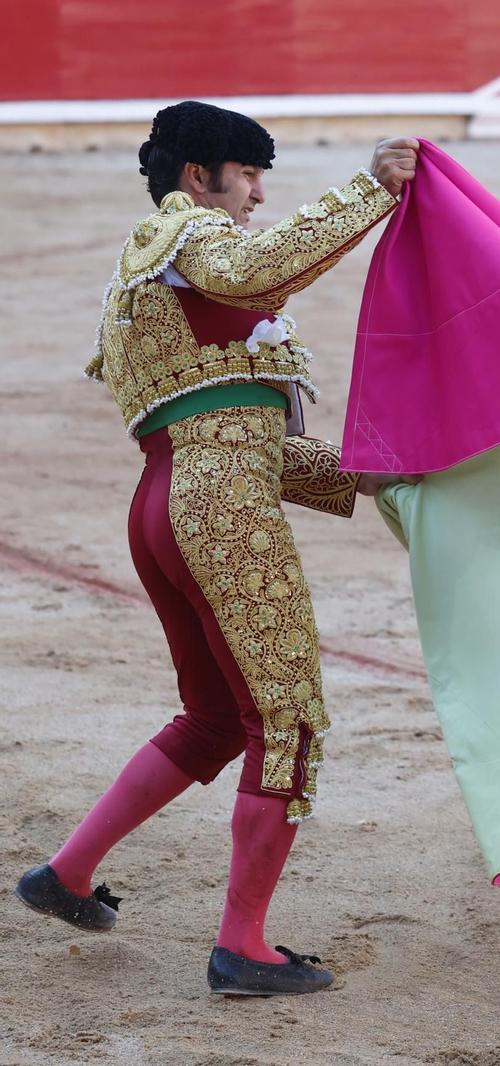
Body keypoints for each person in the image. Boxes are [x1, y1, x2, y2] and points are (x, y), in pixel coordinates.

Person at [13, 101, 418, 996]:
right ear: (200, 177)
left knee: (212, 717)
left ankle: (67, 874)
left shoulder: (152, 276)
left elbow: (235, 436)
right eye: (248, 177)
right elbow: (258, 267)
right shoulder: (190, 234)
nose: (258, 195)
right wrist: (371, 191)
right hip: (216, 509)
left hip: (166, 502)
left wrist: (369, 475)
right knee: (287, 717)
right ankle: (244, 945)